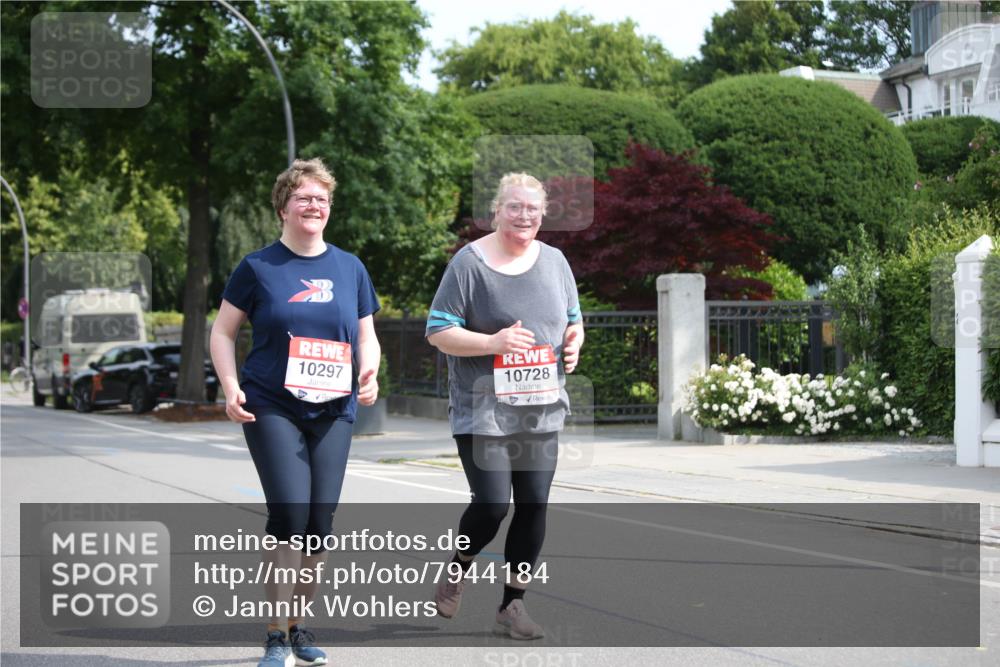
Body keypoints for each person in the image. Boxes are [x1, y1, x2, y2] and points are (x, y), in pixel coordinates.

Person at [211, 158, 380, 667]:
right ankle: (275, 635)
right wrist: (229, 386)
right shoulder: (258, 266)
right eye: (305, 198)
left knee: (319, 523)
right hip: (272, 404)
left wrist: (369, 372)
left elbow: (366, 334)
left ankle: (299, 625)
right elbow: (223, 332)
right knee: (288, 511)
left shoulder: (350, 268)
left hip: (334, 409)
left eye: (322, 199)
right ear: (283, 206)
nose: (314, 206)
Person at [426, 172, 584, 640]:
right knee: (493, 504)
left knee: (534, 503)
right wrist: (492, 341)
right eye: (514, 207)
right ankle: (459, 564)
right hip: (483, 409)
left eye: (533, 209)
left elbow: (572, 321)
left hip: (540, 407)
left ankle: (511, 605)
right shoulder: (469, 264)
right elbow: (438, 331)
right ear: (495, 211)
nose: (524, 216)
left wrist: (574, 343)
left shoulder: (555, 261)